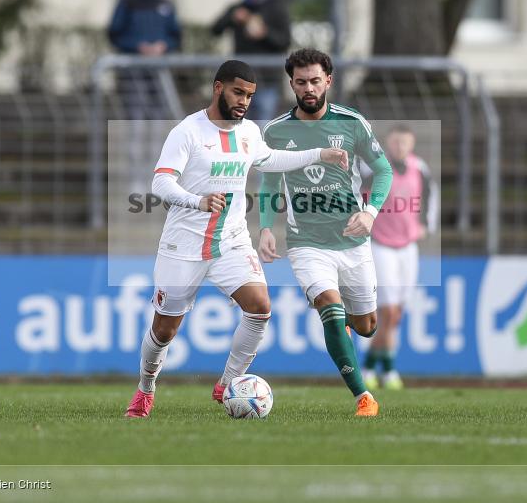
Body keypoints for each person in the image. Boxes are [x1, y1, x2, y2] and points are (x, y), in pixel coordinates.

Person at [125, 60, 349, 418]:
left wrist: (319, 154)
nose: (244, 101)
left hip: (230, 239)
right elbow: (161, 182)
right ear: (218, 88)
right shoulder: (188, 132)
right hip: (184, 245)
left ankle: (228, 383)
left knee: (260, 307)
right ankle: (145, 389)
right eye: (238, 92)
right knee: (165, 328)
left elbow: (270, 159)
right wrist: (196, 201)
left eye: (250, 95)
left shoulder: (248, 132)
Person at [258, 49, 393, 417]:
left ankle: (345, 332)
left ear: (328, 81)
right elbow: (269, 184)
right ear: (291, 84)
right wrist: (266, 228)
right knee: (330, 310)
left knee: (365, 326)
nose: (308, 88)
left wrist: (369, 213)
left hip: (352, 240)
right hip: (306, 243)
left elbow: (384, 171)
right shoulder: (275, 131)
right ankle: (363, 397)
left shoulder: (352, 123)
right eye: (301, 82)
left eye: (315, 80)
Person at [362, 125, 440, 391]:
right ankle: (389, 370)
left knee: (397, 313)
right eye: (396, 142)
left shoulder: (420, 168)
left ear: (412, 143)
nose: (400, 147)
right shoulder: (376, 168)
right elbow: (358, 194)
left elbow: (430, 196)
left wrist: (426, 225)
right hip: (381, 245)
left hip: (408, 247)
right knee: (388, 310)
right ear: (388, 144)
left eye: (405, 142)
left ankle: (371, 366)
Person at [107, 0, 182, 192]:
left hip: (159, 74)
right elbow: (114, 33)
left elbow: (176, 35)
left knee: (159, 126)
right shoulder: (127, 4)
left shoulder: (165, 5)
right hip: (134, 74)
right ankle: (135, 179)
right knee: (137, 126)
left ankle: (158, 178)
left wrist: (163, 46)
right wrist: (138, 46)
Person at [211, 0, 291, 123]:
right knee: (238, 124)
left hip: (267, 78)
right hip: (241, 80)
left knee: (262, 123)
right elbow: (215, 29)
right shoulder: (240, 7)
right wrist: (232, 17)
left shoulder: (275, 7)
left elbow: (284, 41)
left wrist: (264, 33)